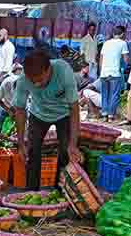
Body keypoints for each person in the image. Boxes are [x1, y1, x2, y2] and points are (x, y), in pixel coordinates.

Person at [14, 49, 82, 190]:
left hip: (64, 114)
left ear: (49, 69)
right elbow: (20, 111)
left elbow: (74, 109)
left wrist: (73, 144)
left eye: (39, 80)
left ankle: (60, 190)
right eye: (33, 81)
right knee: (32, 153)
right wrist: (21, 144)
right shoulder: (23, 79)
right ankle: (31, 191)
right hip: (38, 114)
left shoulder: (63, 71)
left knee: (65, 153)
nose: (36, 84)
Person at [99, 26, 130, 121]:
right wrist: (124, 67)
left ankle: (104, 114)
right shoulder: (123, 43)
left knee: (105, 94)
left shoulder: (106, 43)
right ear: (123, 34)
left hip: (104, 73)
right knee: (114, 95)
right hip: (115, 73)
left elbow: (101, 59)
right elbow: (126, 59)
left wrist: (101, 71)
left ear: (113, 34)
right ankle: (111, 115)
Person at [0, 63, 23, 136]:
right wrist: (9, 110)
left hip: (11, 107)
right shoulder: (23, 80)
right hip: (10, 107)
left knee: (2, 127)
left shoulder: (6, 81)